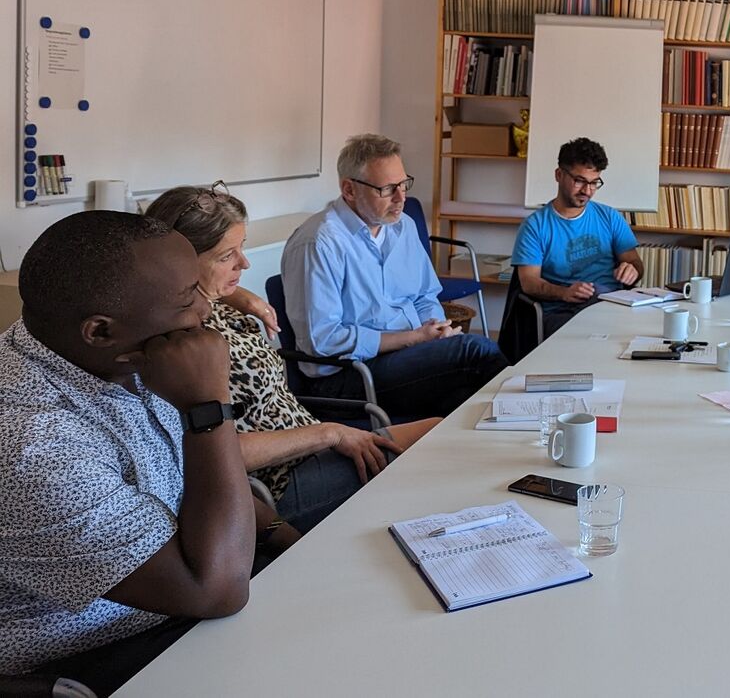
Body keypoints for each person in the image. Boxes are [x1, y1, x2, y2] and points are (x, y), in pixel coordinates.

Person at [0, 211, 295, 695]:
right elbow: (215, 591)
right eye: (188, 297)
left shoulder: (125, 355)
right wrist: (208, 406)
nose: (206, 309)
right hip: (104, 655)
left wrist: (285, 536)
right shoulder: (33, 445)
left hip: (200, 588)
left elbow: (189, 482)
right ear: (100, 331)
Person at [148, 183, 441, 533]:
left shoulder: (209, 306)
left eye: (242, 248)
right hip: (274, 485)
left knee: (441, 431)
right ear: (180, 264)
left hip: (307, 447)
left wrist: (241, 296)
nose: (245, 262)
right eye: (227, 256)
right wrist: (329, 433)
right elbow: (214, 452)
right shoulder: (181, 347)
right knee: (438, 447)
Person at [281, 133, 507, 418]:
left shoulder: (403, 227)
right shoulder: (319, 242)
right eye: (387, 189)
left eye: (403, 184)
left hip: (403, 357)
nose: (401, 198)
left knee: (468, 400)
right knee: (475, 352)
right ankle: (531, 417)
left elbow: (424, 296)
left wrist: (438, 332)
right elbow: (323, 340)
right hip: (348, 375)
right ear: (349, 190)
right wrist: (413, 338)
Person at [512, 137, 643, 337]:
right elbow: (529, 283)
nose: (587, 191)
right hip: (563, 312)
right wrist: (564, 293)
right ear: (559, 175)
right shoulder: (535, 226)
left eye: (594, 182)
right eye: (579, 181)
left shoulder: (610, 217)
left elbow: (635, 262)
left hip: (612, 305)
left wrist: (632, 270)